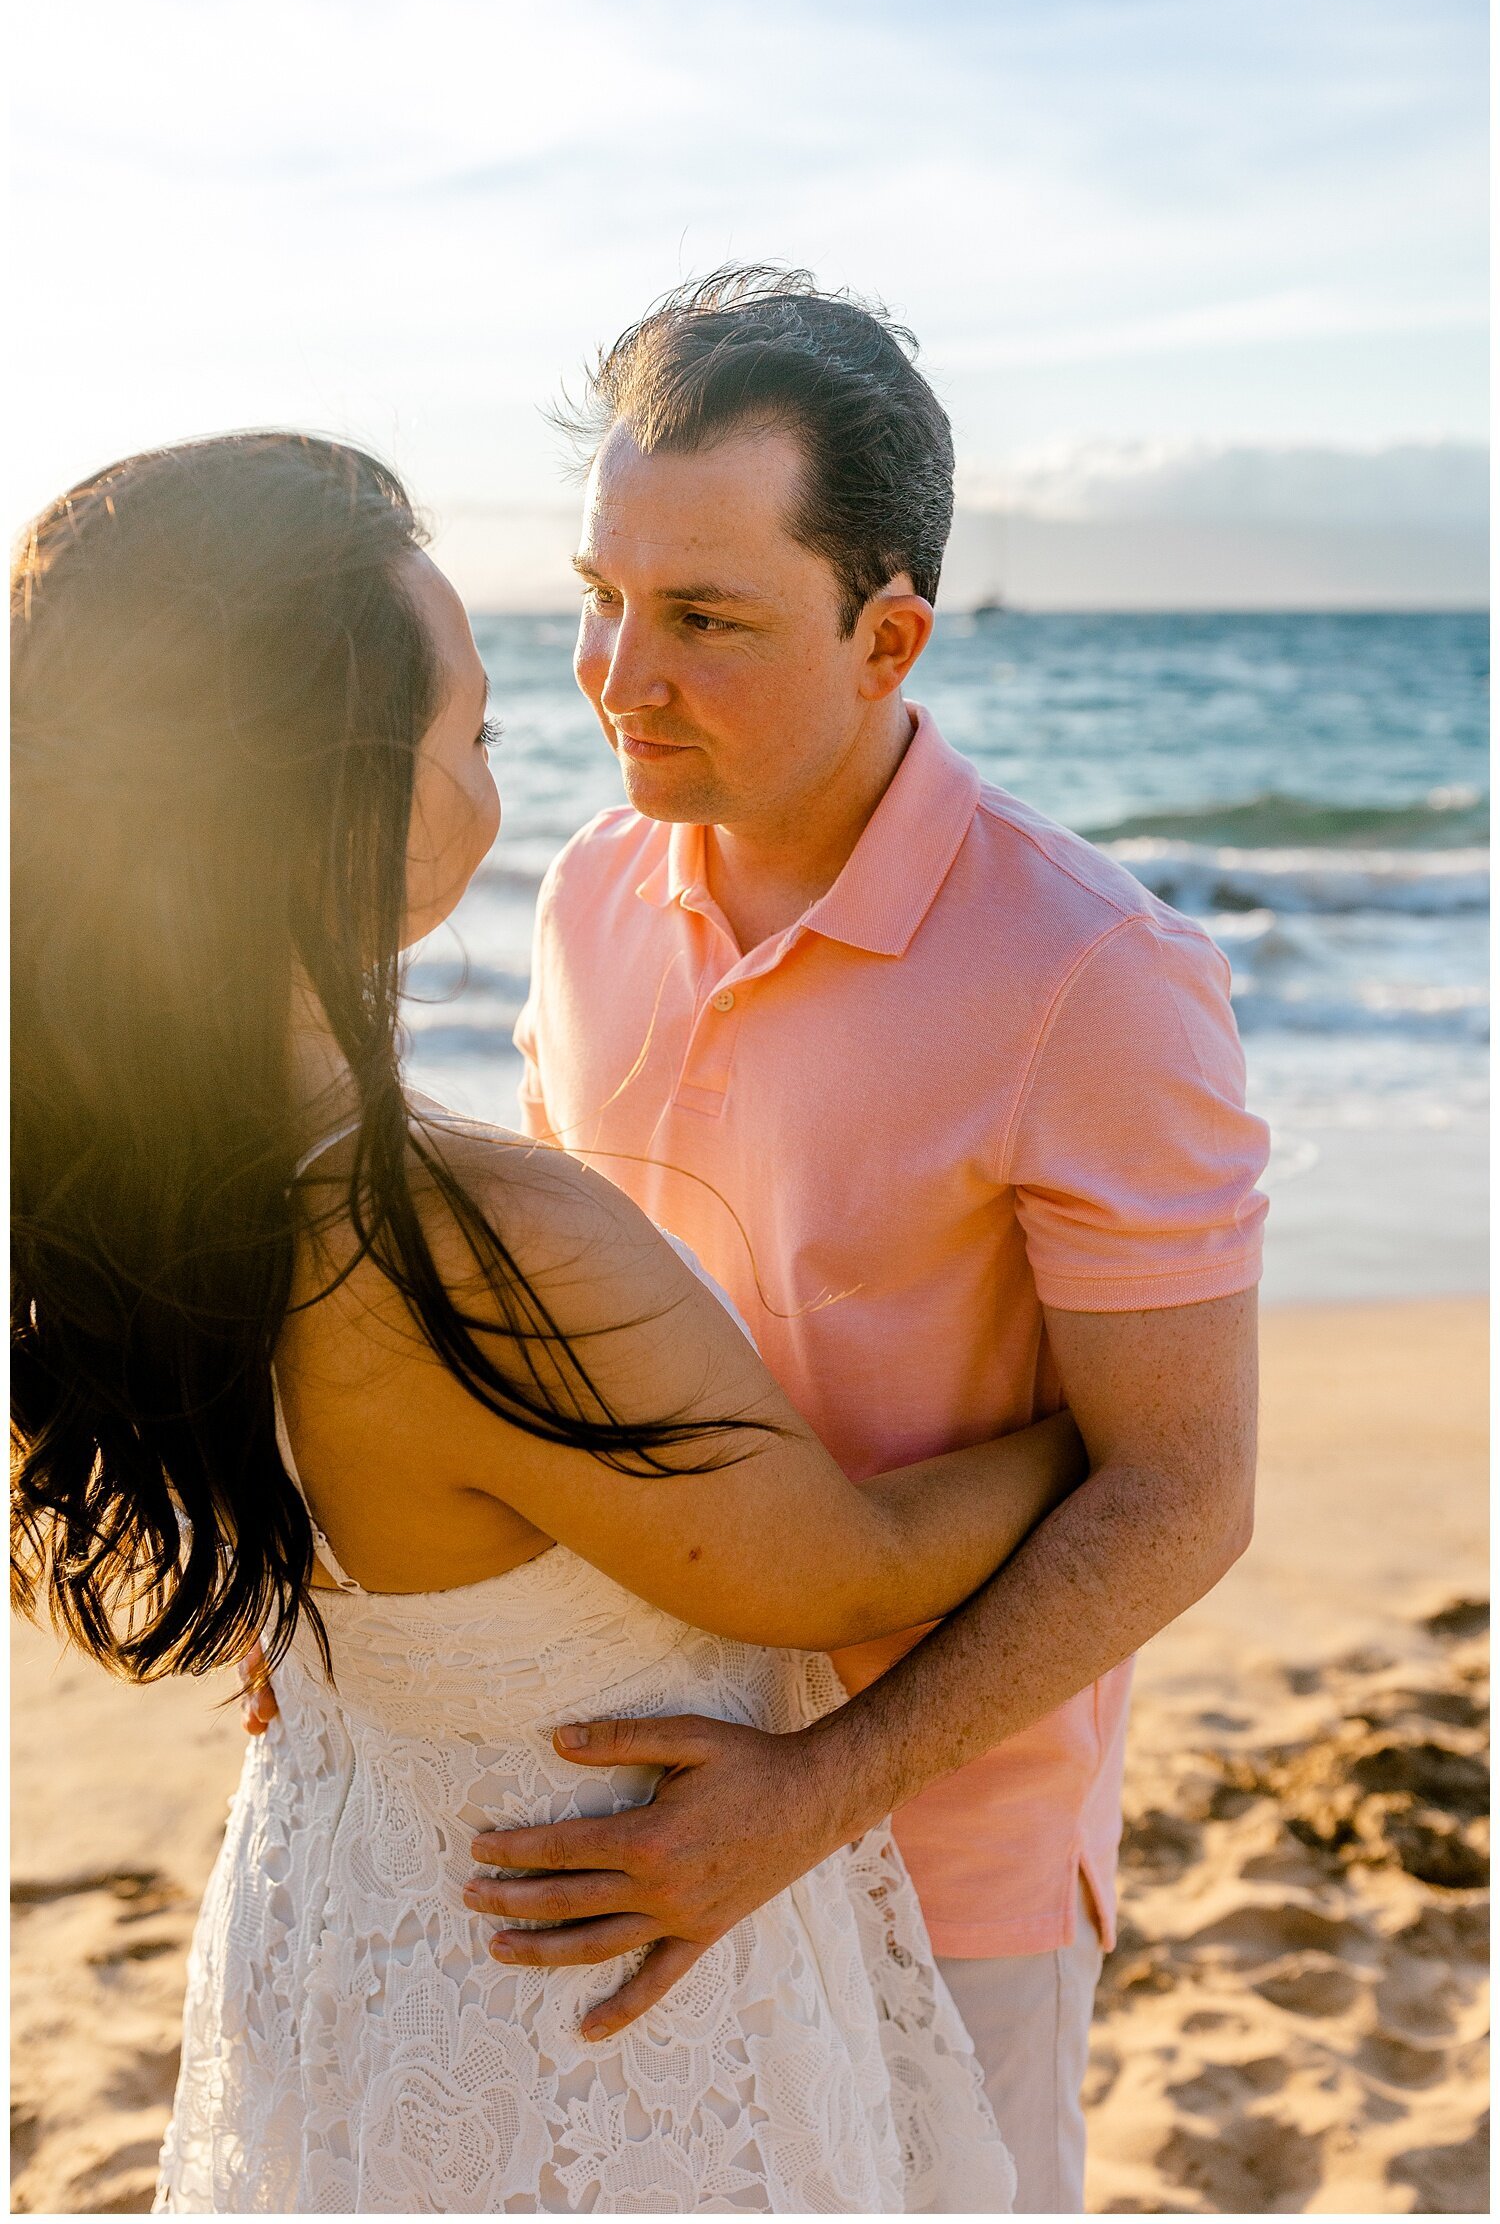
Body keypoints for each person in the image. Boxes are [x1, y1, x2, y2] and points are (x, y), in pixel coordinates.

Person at [12, 430, 1096, 2212]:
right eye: (476, 737)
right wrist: (1090, 1428)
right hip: (578, 2018)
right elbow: (854, 1571)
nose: (541, 750)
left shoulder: (135, 1168)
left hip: (362, 1919)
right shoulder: (455, 1244)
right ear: (338, 798)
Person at [453, 268, 1270, 2214]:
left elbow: (1183, 1491)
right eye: (603, 593)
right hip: (623, 1790)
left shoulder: (1095, 977)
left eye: (707, 619)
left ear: (889, 633)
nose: (615, 673)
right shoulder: (583, 894)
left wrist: (816, 1794)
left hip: (951, 1845)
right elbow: (559, 1329)